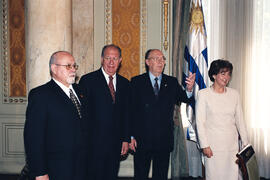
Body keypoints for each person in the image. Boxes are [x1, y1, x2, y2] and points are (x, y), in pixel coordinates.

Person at [129, 49, 195, 180]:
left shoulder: (171, 82)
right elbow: (130, 111)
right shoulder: (136, 82)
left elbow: (185, 98)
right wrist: (130, 136)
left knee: (161, 176)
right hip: (142, 140)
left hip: (163, 140)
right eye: (156, 59)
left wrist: (189, 89)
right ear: (148, 62)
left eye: (163, 59)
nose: (161, 62)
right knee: (140, 176)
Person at [24, 51, 88, 180]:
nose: (73, 70)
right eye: (68, 66)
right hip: (56, 168)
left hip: (81, 166)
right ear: (54, 68)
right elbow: (34, 138)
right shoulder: (41, 95)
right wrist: (40, 172)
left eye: (74, 66)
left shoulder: (80, 91)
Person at [79, 44, 130, 180]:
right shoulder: (87, 81)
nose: (111, 62)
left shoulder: (126, 84)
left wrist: (125, 139)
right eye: (108, 58)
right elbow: (82, 115)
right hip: (93, 145)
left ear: (120, 61)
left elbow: (126, 114)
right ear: (102, 59)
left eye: (115, 58)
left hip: (115, 144)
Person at [196, 59, 249, 180]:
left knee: (232, 176)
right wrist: (205, 145)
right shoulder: (203, 94)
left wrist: (246, 144)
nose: (227, 77)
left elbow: (240, 120)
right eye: (223, 73)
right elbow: (200, 122)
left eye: (229, 74)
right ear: (214, 75)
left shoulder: (234, 94)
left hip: (231, 146)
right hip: (213, 147)